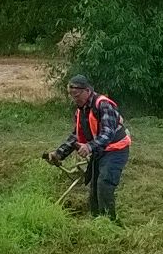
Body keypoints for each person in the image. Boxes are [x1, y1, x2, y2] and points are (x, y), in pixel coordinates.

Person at [47, 75, 131, 219]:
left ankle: (109, 223)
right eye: (72, 96)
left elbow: (108, 133)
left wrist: (89, 147)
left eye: (77, 95)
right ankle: (97, 220)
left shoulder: (103, 105)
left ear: (87, 91)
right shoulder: (81, 110)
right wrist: (59, 154)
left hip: (116, 150)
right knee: (94, 190)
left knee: (104, 183)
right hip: (100, 151)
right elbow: (76, 136)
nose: (75, 99)